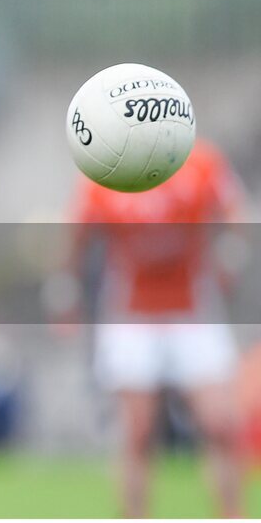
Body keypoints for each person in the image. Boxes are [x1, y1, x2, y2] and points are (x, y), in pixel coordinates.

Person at [66, 138, 246, 517]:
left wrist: (232, 251)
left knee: (220, 425)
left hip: (193, 311)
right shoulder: (106, 171)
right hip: (132, 316)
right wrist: (65, 293)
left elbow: (234, 211)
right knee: (138, 432)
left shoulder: (202, 163)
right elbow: (77, 236)